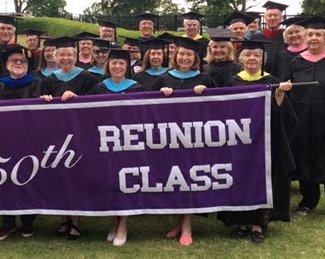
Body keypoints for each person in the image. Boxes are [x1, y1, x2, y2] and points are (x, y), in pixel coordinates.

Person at [218, 40, 296, 244]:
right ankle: (241, 223)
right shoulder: (233, 81)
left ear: (263, 59)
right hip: (239, 140)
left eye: (256, 55)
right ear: (241, 58)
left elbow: (282, 113)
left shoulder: (272, 81)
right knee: (240, 178)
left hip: (265, 141)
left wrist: (280, 93)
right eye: (248, 55)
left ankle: (258, 224)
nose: (252, 58)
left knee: (262, 180)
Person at [155, 37, 216, 246]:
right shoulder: (164, 78)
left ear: (195, 58)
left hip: (194, 138)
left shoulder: (205, 79)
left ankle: (187, 225)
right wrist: (160, 95)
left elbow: (219, 108)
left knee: (190, 179)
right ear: (175, 56)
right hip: (169, 138)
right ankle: (180, 223)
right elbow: (148, 107)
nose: (185, 57)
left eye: (189, 54)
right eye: (181, 54)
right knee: (175, 181)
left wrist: (204, 95)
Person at [40, 36, 98, 240]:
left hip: (80, 134)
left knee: (77, 175)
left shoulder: (88, 78)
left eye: (69, 55)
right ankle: (63, 218)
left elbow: (96, 104)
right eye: (62, 55)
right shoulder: (47, 80)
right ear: (55, 57)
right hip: (55, 135)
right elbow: (41, 110)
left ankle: (77, 219)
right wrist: (44, 100)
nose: (66, 58)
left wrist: (78, 98)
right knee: (59, 175)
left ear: (76, 57)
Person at [90, 49, 145, 247]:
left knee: (125, 183)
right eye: (114, 63)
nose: (118, 67)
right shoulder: (99, 87)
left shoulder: (136, 88)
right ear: (108, 66)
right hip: (105, 142)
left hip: (128, 142)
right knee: (111, 183)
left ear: (127, 67)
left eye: (122, 64)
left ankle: (123, 225)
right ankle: (114, 222)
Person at [281, 16, 325, 216]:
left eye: (318, 34)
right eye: (309, 34)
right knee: (306, 156)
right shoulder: (297, 62)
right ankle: (308, 200)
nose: (313, 38)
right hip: (302, 119)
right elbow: (284, 87)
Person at [0, 46, 41, 241]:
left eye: (23, 61)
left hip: (30, 141)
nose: (18, 63)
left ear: (28, 66)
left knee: (29, 178)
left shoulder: (36, 83)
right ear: (7, 65)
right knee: (5, 180)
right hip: (4, 141)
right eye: (14, 61)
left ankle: (28, 221)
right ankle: (7, 223)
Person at [252, 1, 288, 73]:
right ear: (265, 19)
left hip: (283, 74)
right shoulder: (256, 37)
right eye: (269, 15)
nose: (272, 18)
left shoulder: (287, 37)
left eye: (275, 15)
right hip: (262, 75)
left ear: (281, 18)